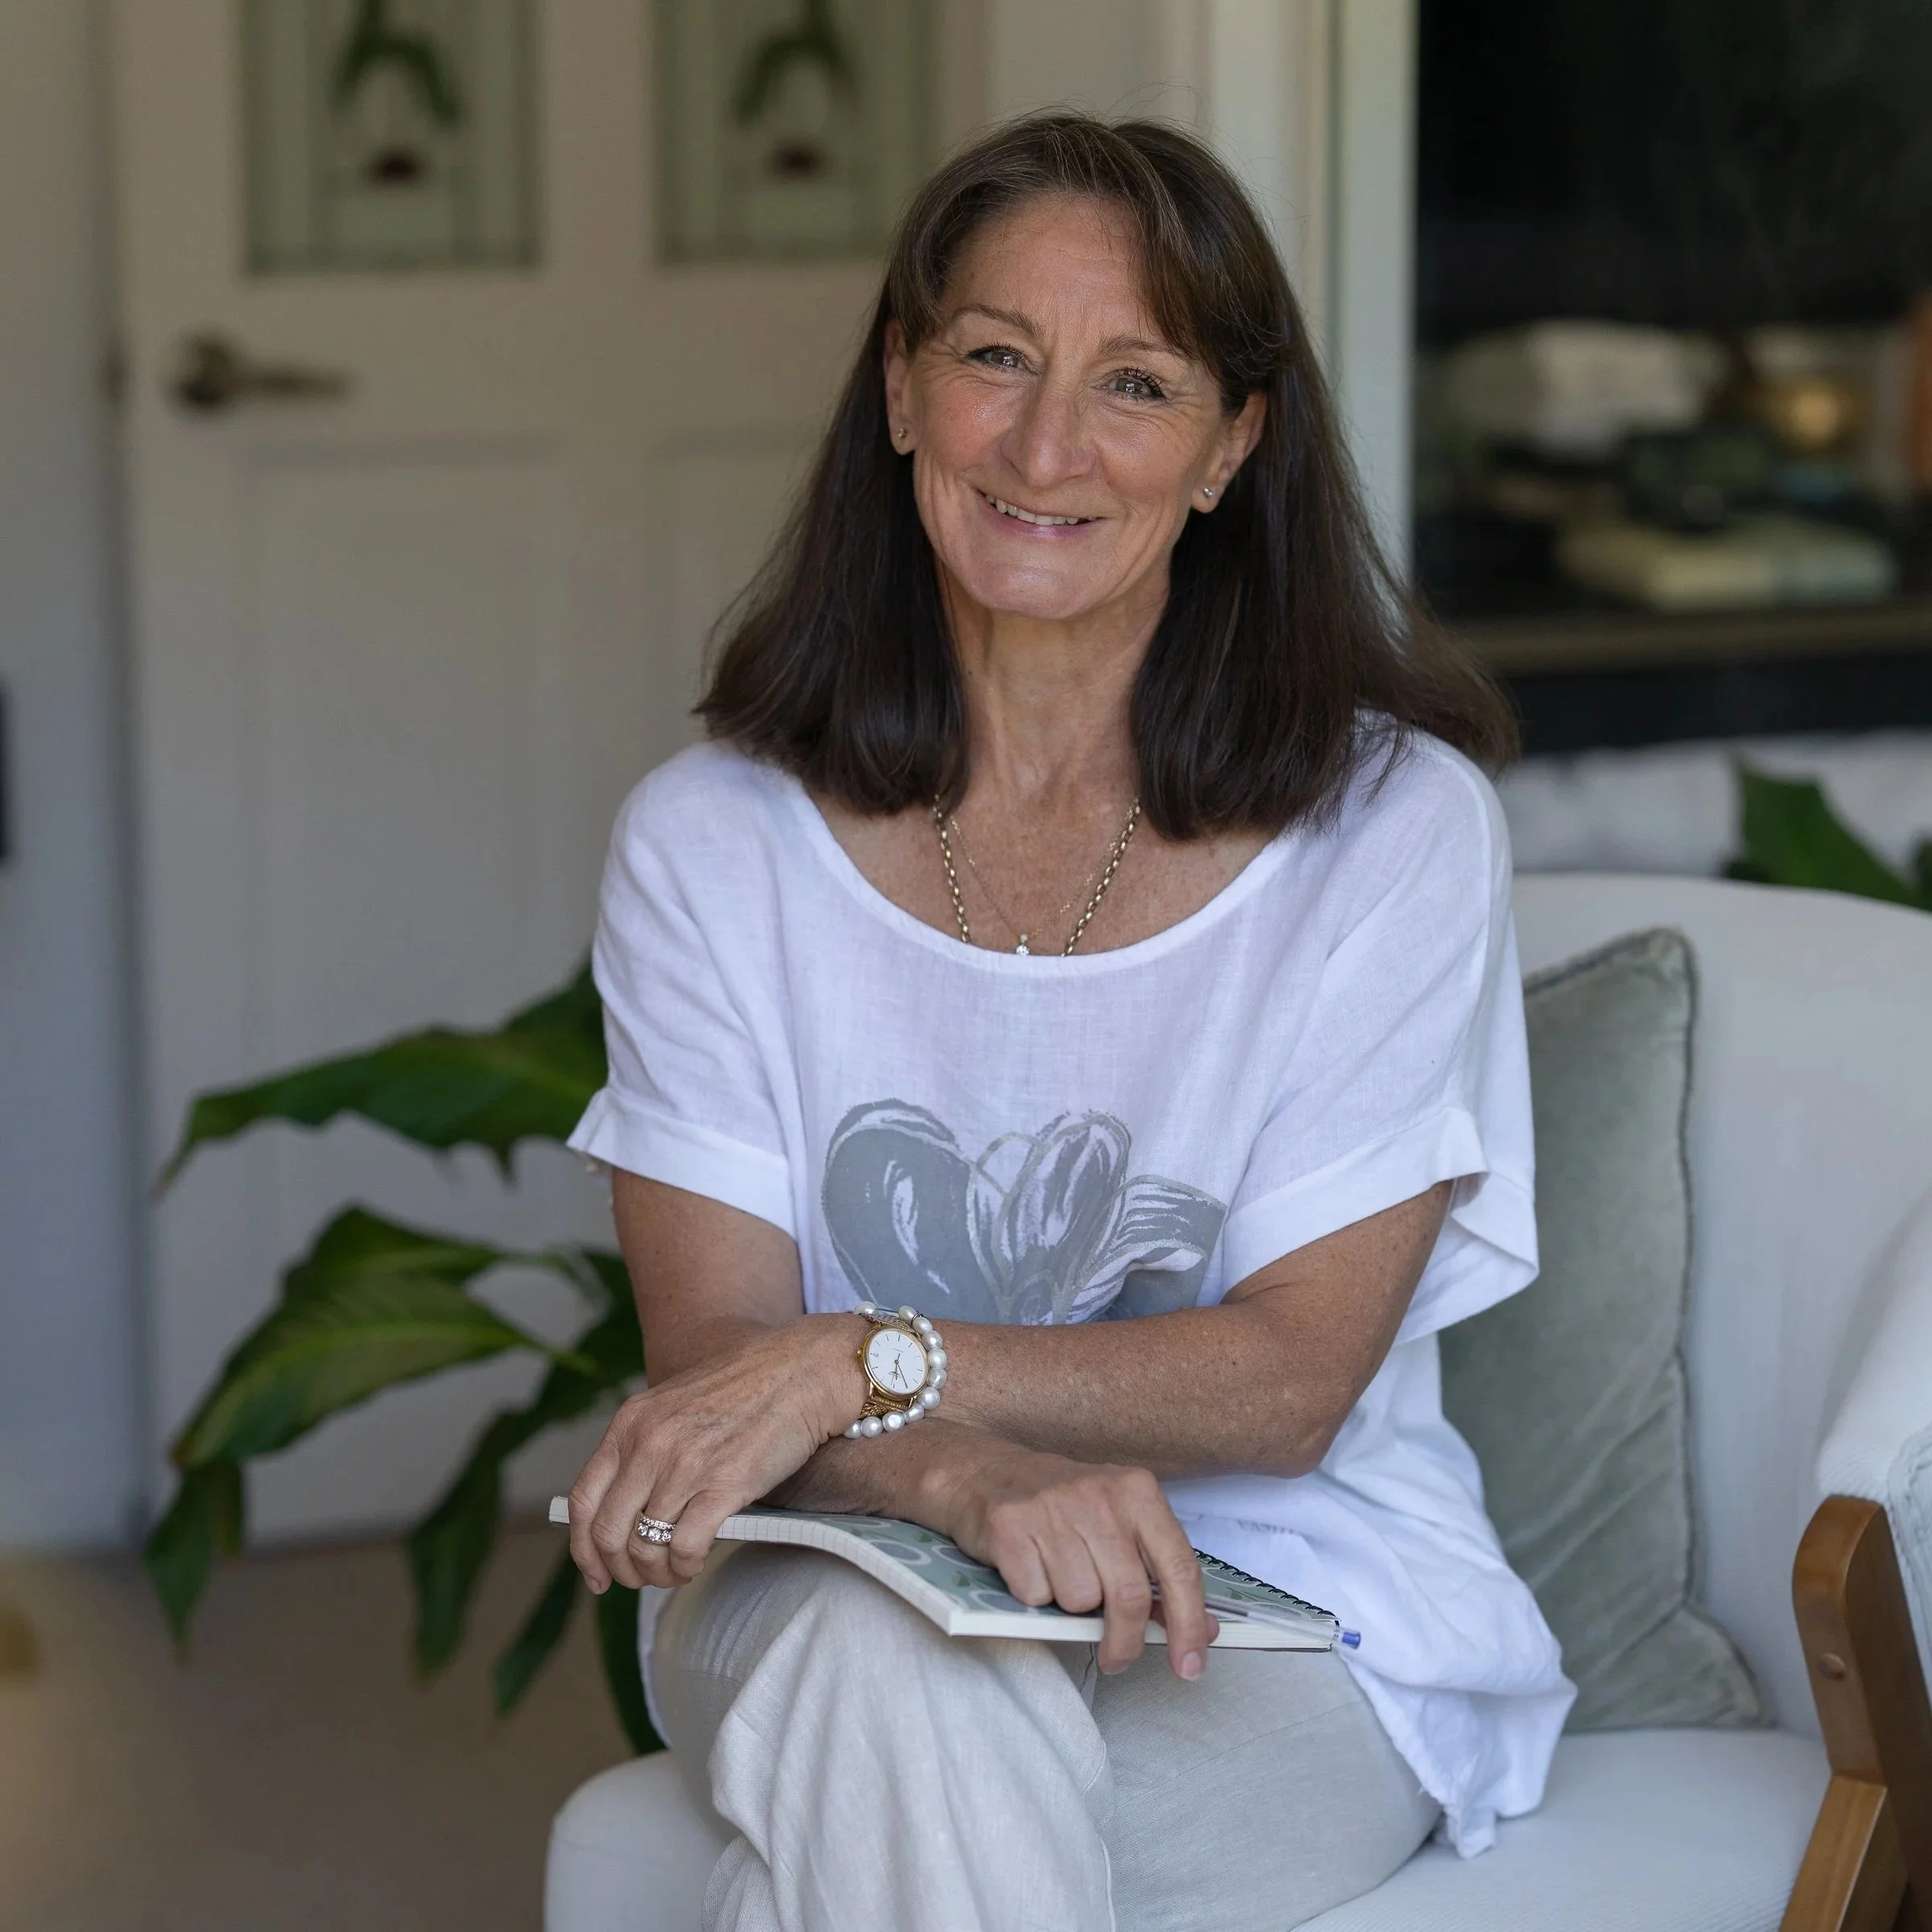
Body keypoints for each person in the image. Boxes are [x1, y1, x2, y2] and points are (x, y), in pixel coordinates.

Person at [564, 112, 1573, 1932]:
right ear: (899, 390)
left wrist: (856, 1353)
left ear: (1231, 446)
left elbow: (1287, 1383)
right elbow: (724, 1361)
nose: (1046, 447)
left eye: (1137, 383)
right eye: (995, 358)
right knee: (897, 1685)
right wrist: (949, 1459)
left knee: (882, 1809)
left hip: (1274, 1611)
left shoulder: (1391, 835)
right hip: (827, 1571)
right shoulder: (711, 846)